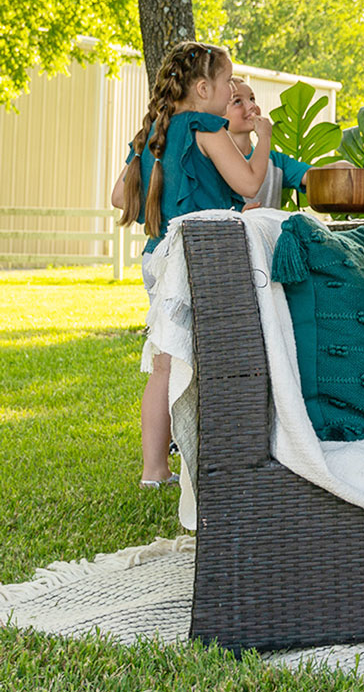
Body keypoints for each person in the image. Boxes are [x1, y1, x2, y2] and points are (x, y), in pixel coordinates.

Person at [111, 42, 272, 488]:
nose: (229, 94)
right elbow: (249, 182)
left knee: (165, 365)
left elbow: (120, 198)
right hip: (199, 260)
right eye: (227, 84)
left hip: (157, 258)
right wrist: (266, 140)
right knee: (216, 361)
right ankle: (217, 460)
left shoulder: (152, 133)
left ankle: (154, 470)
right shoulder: (206, 126)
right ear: (203, 88)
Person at [225, 78, 310, 209]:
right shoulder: (215, 163)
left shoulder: (276, 162)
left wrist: (339, 168)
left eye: (252, 99)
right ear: (218, 113)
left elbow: (313, 176)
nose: (251, 106)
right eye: (237, 101)